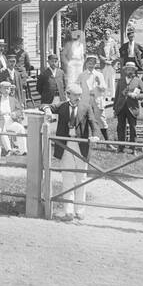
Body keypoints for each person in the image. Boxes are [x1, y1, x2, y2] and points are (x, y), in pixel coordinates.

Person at [47, 83, 90, 222]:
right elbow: (45, 105)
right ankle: (68, 211)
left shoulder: (85, 107)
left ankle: (80, 210)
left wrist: (95, 135)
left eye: (79, 95)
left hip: (81, 145)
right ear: (68, 95)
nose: (77, 98)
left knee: (81, 178)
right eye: (75, 95)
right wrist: (48, 110)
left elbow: (94, 123)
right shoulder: (62, 106)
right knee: (67, 178)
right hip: (65, 145)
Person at [113, 60, 143, 152]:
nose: (130, 71)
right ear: (125, 70)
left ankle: (133, 148)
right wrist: (114, 108)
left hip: (132, 107)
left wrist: (136, 96)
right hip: (121, 107)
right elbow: (116, 95)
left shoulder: (138, 81)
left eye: (132, 69)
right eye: (128, 69)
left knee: (133, 128)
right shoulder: (120, 81)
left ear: (134, 70)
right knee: (120, 127)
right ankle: (121, 147)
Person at [78, 54, 110, 143]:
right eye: (89, 63)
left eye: (93, 63)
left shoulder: (99, 74)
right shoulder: (82, 75)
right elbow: (77, 86)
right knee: (85, 119)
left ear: (96, 64)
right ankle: (84, 142)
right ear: (86, 64)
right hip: (86, 100)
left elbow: (104, 88)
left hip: (96, 100)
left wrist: (99, 83)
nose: (91, 65)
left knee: (101, 120)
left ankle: (108, 142)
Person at [0, 78, 26, 156]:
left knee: (20, 128)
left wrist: (15, 114)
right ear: (0, 90)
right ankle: (9, 149)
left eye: (8, 89)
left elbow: (19, 110)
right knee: (2, 129)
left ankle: (23, 150)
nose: (6, 90)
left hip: (10, 120)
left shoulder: (13, 100)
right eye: (4, 89)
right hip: (0, 121)